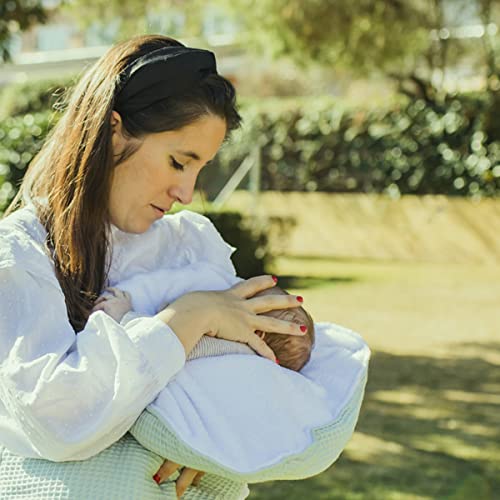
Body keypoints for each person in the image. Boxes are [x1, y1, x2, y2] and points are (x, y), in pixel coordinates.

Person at [0, 34, 308, 497]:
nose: (186, 194)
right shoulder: (23, 251)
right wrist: (188, 316)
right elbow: (53, 418)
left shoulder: (192, 245)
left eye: (200, 169)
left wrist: (211, 427)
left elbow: (269, 369)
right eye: (178, 162)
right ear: (113, 130)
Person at [90, 215, 316, 371]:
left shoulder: (225, 349)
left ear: (260, 334)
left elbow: (164, 338)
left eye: (249, 301)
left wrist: (125, 316)